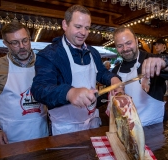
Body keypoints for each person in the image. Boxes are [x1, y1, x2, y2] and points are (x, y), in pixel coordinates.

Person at [31, 5, 123, 136]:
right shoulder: (50, 54)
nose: (83, 32)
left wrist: (113, 79)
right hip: (66, 128)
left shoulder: (93, 52)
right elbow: (39, 89)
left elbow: (101, 72)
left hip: (92, 122)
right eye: (78, 27)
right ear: (65, 24)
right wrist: (69, 93)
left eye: (87, 28)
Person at [0, 22, 48, 147]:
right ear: (5, 44)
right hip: (8, 139)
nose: (22, 46)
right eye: (15, 43)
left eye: (25, 40)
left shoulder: (44, 65)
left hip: (40, 134)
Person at [112, 26, 168, 126]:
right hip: (128, 130)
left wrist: (164, 62)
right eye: (120, 46)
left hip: (154, 128)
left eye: (128, 43)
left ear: (136, 40)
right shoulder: (115, 71)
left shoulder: (152, 58)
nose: (125, 49)